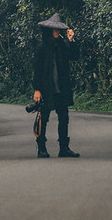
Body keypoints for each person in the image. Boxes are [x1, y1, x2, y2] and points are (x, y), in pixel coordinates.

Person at [32, 12, 80, 159]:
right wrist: (37, 89)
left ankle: (64, 148)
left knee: (64, 117)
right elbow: (37, 70)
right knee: (43, 118)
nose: (57, 32)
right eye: (55, 30)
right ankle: (41, 148)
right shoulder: (41, 48)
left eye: (58, 30)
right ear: (49, 31)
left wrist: (71, 40)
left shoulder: (62, 47)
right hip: (46, 89)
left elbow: (75, 57)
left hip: (61, 88)